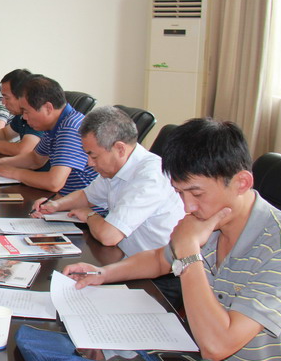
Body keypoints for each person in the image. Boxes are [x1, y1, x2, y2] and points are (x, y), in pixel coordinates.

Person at [64, 118, 281, 361]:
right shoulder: (213, 219)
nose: (187, 207)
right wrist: (104, 273)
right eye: (179, 193)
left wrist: (189, 252)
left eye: (196, 193)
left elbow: (217, 345)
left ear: (241, 182)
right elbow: (160, 259)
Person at [32, 106, 184, 257]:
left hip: (153, 268)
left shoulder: (150, 177)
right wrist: (56, 205)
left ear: (120, 149)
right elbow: (87, 196)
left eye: (93, 156)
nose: (89, 163)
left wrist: (90, 215)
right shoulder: (115, 168)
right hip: (123, 257)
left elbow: (108, 236)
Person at [0, 75, 97, 195]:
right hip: (63, 198)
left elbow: (54, 183)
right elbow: (35, 159)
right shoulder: (55, 124)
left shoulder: (70, 128)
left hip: (79, 202)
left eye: (26, 111)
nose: (24, 117)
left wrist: (14, 173)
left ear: (48, 108)